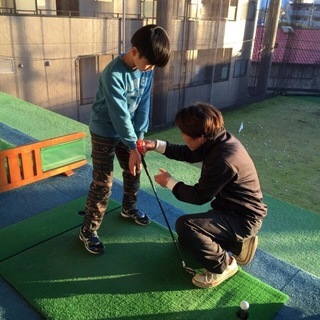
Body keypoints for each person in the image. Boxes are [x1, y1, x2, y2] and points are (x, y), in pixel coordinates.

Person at [143, 102, 267, 288]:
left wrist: (169, 182)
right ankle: (238, 245)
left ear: (200, 137)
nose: (183, 136)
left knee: (186, 226)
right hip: (232, 211)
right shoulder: (219, 139)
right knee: (186, 239)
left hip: (243, 219)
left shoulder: (222, 159)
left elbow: (199, 196)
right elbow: (190, 153)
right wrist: (156, 145)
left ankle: (224, 265)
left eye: (185, 134)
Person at [79, 24, 171, 255]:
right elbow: (118, 114)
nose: (150, 69)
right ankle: (88, 231)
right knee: (103, 181)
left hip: (129, 131)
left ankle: (128, 209)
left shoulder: (147, 70)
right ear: (134, 51)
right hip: (104, 130)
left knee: (134, 169)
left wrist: (138, 141)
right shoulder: (113, 74)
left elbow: (143, 106)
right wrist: (132, 146)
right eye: (148, 63)